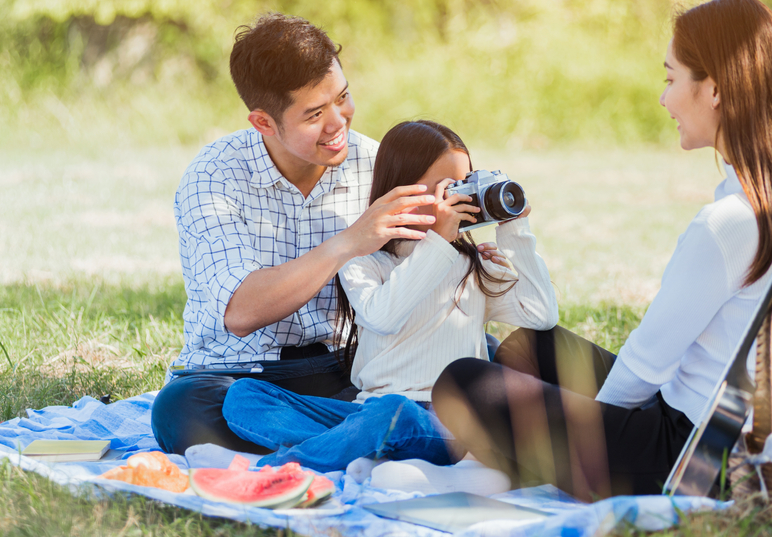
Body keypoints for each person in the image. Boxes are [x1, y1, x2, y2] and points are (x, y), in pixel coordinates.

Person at [431, 0, 772, 499]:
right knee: (529, 347)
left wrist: (594, 435)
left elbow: (644, 368)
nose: (664, 100)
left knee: (462, 382)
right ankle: (524, 459)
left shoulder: (728, 224)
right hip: (755, 433)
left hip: (696, 458)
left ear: (716, 91)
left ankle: (528, 467)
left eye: (671, 79)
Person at [150, 15, 504, 454]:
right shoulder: (215, 177)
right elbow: (240, 311)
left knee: (481, 354)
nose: (338, 122)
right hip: (246, 374)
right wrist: (350, 241)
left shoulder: (378, 164)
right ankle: (404, 432)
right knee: (183, 410)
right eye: (315, 114)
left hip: (353, 366)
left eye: (343, 97)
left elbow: (429, 264)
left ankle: (375, 431)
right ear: (263, 122)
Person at [219, 120, 559, 472]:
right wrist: (437, 243)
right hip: (369, 410)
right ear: (403, 189)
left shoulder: (470, 264)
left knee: (392, 415)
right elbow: (383, 316)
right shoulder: (364, 259)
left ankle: (279, 468)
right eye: (447, 189)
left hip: (449, 421)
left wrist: (515, 228)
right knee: (245, 397)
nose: (461, 199)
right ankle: (361, 447)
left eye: (465, 184)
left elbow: (540, 315)